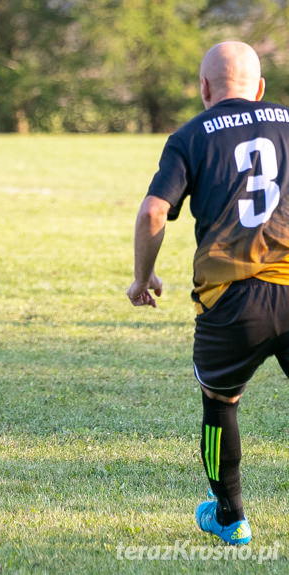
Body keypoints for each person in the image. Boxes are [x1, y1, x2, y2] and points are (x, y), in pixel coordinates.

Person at [126, 40, 289, 545]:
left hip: (233, 302)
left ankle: (231, 516)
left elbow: (155, 210)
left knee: (221, 403)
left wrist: (142, 277)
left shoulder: (190, 135)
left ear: (204, 89)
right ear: (260, 89)